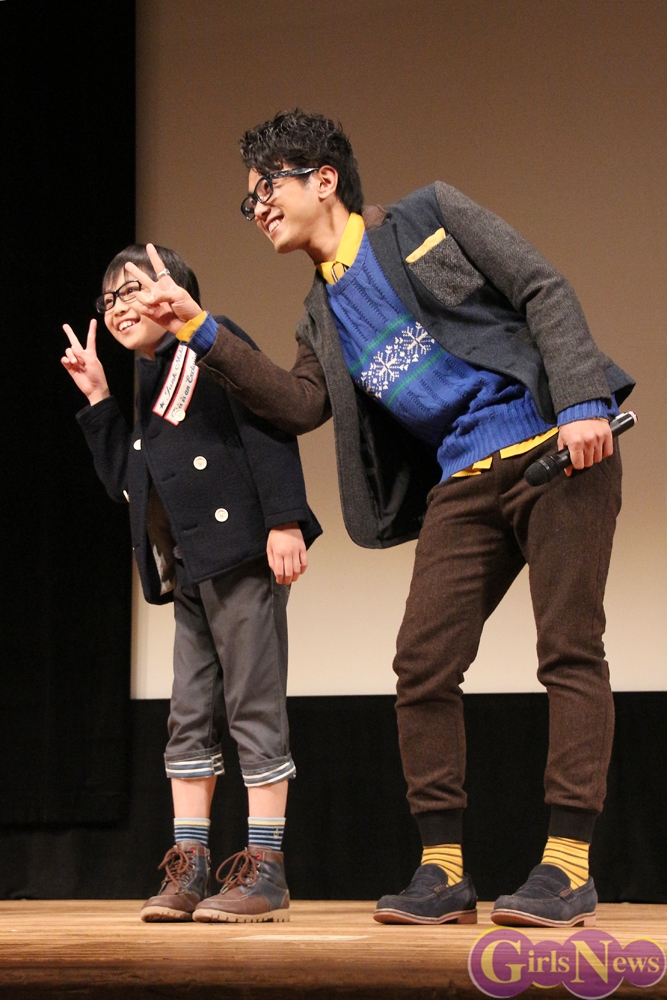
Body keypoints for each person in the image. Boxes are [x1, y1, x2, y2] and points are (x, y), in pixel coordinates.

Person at [122, 111, 634, 928]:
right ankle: (442, 872)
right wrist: (196, 326)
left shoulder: (428, 216)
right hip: (463, 478)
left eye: (267, 187)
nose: (257, 208)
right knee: (420, 666)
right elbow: (298, 404)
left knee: (568, 648)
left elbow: (539, 285)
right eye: (248, 201)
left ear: (323, 179)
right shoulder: (318, 315)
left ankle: (567, 866)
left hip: (553, 447)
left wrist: (580, 400)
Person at [61, 244, 321, 923]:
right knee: (188, 716)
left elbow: (267, 426)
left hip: (241, 555)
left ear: (173, 288)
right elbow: (130, 483)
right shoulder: (148, 379)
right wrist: (99, 399)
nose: (118, 308)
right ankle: (192, 865)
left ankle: (266, 868)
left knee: (253, 709)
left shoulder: (212, 340)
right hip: (191, 571)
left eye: (131, 290)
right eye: (109, 299)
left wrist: (285, 519)